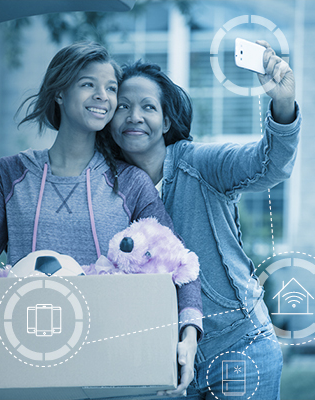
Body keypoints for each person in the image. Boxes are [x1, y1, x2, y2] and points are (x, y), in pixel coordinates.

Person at [0, 41, 203, 399]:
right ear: (60, 92)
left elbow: (178, 261)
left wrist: (189, 333)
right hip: (27, 360)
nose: (103, 96)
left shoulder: (130, 182)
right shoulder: (9, 175)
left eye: (111, 88)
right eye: (88, 84)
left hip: (110, 366)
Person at [108, 41, 300, 399]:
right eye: (123, 107)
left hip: (239, 349)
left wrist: (283, 103)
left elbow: (270, 163)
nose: (134, 116)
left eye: (148, 107)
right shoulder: (107, 188)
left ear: (166, 121)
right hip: (162, 364)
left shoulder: (200, 164)